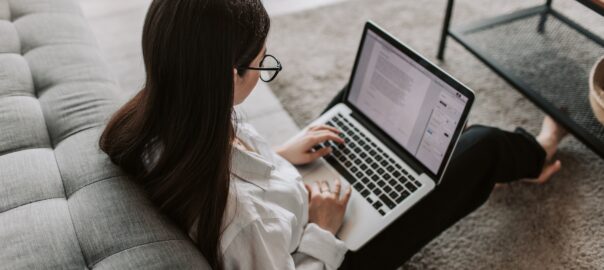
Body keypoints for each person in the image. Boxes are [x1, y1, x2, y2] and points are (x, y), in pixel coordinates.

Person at [99, 0, 568, 269]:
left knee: (356, 105)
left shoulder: (166, 116)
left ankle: (426, 147)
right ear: (226, 76)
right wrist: (322, 230)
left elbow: (230, 167)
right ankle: (537, 154)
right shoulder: (241, 224)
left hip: (291, 198)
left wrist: (280, 155)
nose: (265, 67)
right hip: (329, 250)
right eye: (262, 64)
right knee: (480, 146)